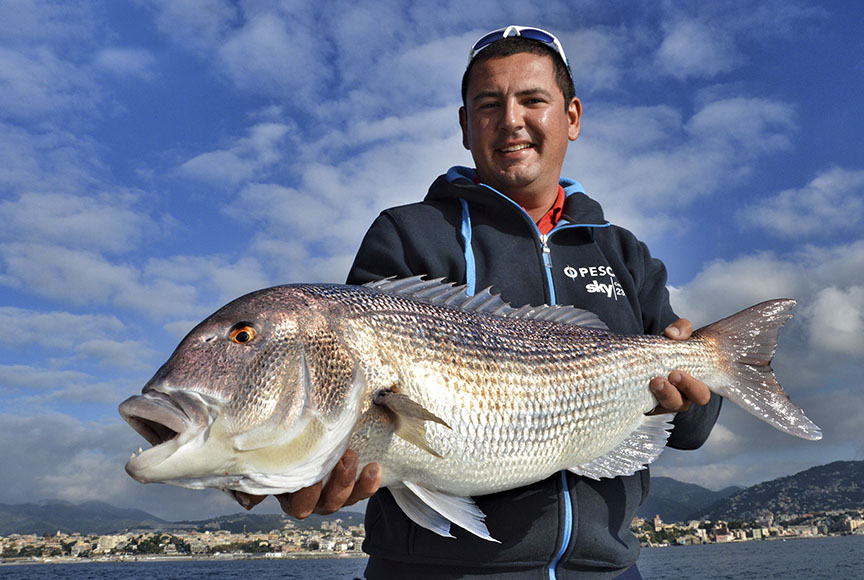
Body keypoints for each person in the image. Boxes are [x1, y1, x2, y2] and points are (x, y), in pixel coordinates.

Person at [245, 25, 721, 579]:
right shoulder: (408, 234)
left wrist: (693, 392)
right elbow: (353, 403)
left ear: (572, 117)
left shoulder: (623, 251)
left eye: (533, 100)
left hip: (609, 571)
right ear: (465, 126)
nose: (511, 120)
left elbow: (691, 433)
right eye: (488, 104)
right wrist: (295, 463)